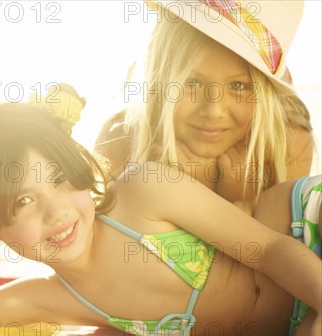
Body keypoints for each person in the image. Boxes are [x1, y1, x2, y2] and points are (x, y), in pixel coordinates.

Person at [0, 103, 321, 336]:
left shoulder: (143, 192)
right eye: (23, 201)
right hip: (296, 320)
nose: (57, 211)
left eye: (61, 178)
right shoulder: (60, 299)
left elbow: (268, 250)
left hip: (303, 230)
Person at [95, 0, 314, 211]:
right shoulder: (120, 142)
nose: (214, 110)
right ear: (158, 78)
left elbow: (283, 247)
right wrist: (182, 193)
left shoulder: (288, 142)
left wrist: (242, 202)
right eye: (192, 83)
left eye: (238, 86)